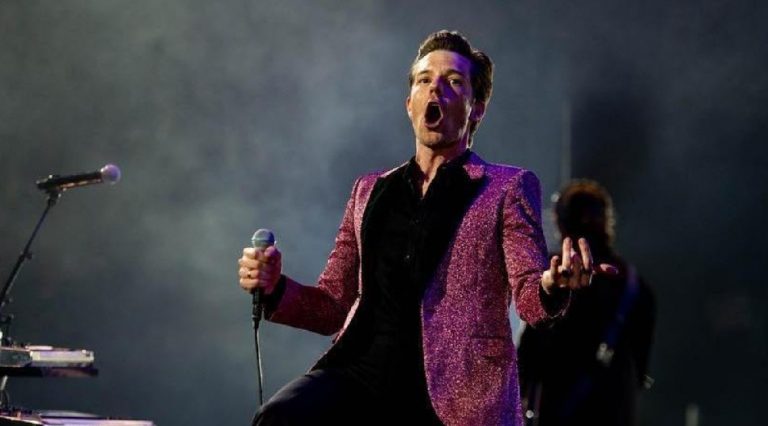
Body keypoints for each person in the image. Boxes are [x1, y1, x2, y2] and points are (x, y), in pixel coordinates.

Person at [237, 31, 613, 426]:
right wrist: (274, 288)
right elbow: (333, 305)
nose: (436, 88)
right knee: (279, 417)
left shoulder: (506, 188)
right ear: (409, 104)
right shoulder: (369, 190)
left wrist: (553, 285)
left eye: (454, 81)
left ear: (476, 109)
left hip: (454, 393)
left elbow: (529, 298)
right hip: (361, 375)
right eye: (424, 79)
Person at [517, 180, 655, 426]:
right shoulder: (637, 287)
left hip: (556, 412)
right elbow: (640, 370)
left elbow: (527, 356)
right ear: (606, 221)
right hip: (613, 414)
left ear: (561, 222)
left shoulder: (552, 277)